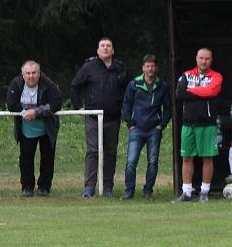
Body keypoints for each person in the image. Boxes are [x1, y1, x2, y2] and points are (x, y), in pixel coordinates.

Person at [70, 37, 129, 198]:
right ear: (97, 50)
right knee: (93, 152)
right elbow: (75, 86)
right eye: (102, 46)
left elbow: (128, 92)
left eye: (108, 46)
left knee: (110, 153)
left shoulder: (120, 68)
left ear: (113, 50)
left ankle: (108, 186)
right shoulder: (89, 67)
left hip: (113, 118)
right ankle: (89, 187)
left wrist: (125, 110)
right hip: (93, 118)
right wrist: (79, 108)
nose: (105, 48)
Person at [6, 60, 62, 198]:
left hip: (47, 126)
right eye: (28, 73)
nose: (31, 76)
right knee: (26, 157)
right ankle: (27, 187)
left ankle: (44, 187)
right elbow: (12, 104)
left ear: (39, 73)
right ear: (23, 75)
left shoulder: (48, 83)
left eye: (34, 73)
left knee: (48, 158)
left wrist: (36, 113)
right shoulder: (16, 83)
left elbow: (57, 103)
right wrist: (26, 113)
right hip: (26, 128)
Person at [174, 47, 223, 203]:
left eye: (207, 58)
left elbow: (211, 92)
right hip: (188, 124)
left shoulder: (216, 76)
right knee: (186, 157)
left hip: (207, 124)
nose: (203, 61)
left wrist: (192, 90)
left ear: (211, 60)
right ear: (196, 58)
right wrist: (201, 92)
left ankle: (204, 192)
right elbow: (180, 94)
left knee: (207, 158)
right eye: (201, 58)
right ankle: (187, 193)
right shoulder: (186, 75)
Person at [120, 54, 172, 201]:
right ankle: (129, 191)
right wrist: (129, 123)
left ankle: (148, 191)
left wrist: (161, 125)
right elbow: (126, 104)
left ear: (157, 68)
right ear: (143, 68)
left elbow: (168, 108)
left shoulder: (162, 85)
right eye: (147, 66)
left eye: (153, 66)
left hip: (153, 130)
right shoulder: (134, 84)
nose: (150, 69)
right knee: (131, 162)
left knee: (153, 161)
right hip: (136, 128)